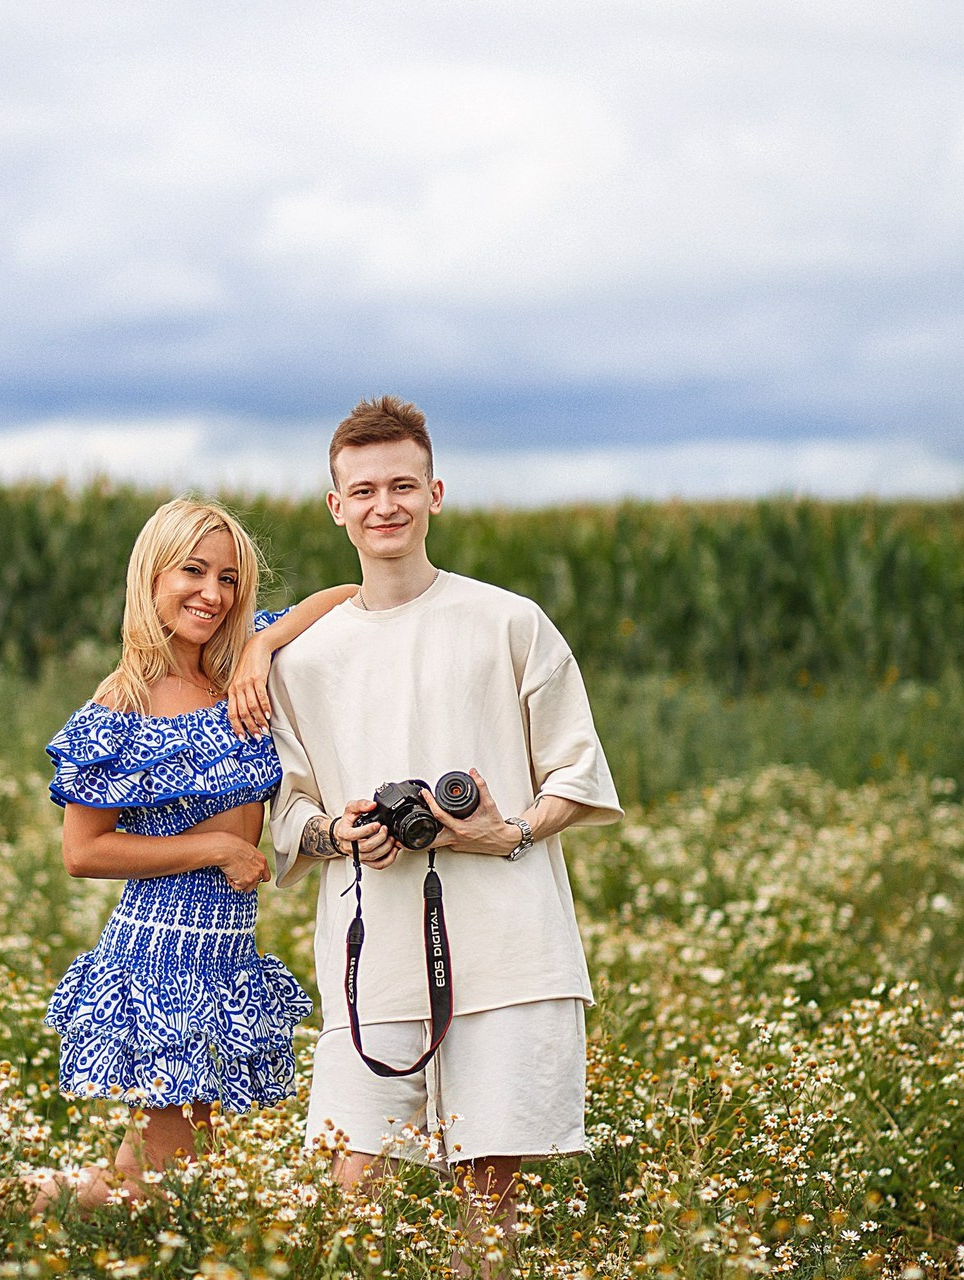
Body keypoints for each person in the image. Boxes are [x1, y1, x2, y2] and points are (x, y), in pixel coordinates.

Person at [267, 396, 623, 1238]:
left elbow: (576, 769)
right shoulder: (301, 658)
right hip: (370, 956)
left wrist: (509, 831)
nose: (382, 505)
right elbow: (288, 806)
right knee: (354, 1193)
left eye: (402, 485)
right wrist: (337, 834)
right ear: (335, 506)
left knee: (490, 1201)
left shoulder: (509, 620)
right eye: (362, 490)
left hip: (511, 950)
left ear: (435, 493)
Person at [32, 497, 356, 1210]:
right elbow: (83, 851)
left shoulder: (241, 664)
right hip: (164, 951)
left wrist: (263, 647)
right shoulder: (124, 703)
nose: (213, 593)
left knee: (178, 1168)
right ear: (151, 577)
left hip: (227, 948)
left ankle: (29, 1206)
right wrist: (213, 845)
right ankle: (15, 1205)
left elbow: (350, 596)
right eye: (194, 571)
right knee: (165, 1176)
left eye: (231, 578)